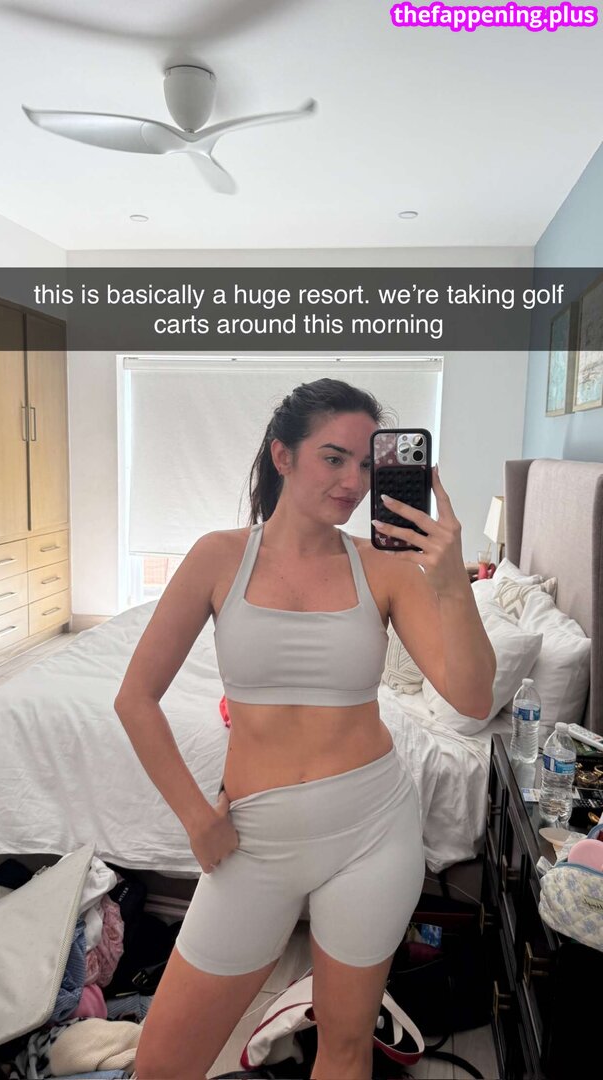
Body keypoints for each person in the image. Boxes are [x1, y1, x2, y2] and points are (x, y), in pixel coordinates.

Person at [115, 378, 496, 1080]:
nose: (354, 482)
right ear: (282, 456)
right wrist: (196, 818)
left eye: (366, 464)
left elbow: (473, 698)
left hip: (373, 833)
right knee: (162, 1064)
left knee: (345, 1051)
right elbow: (135, 699)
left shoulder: (385, 568)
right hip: (252, 841)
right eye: (333, 458)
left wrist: (449, 581)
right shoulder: (218, 557)